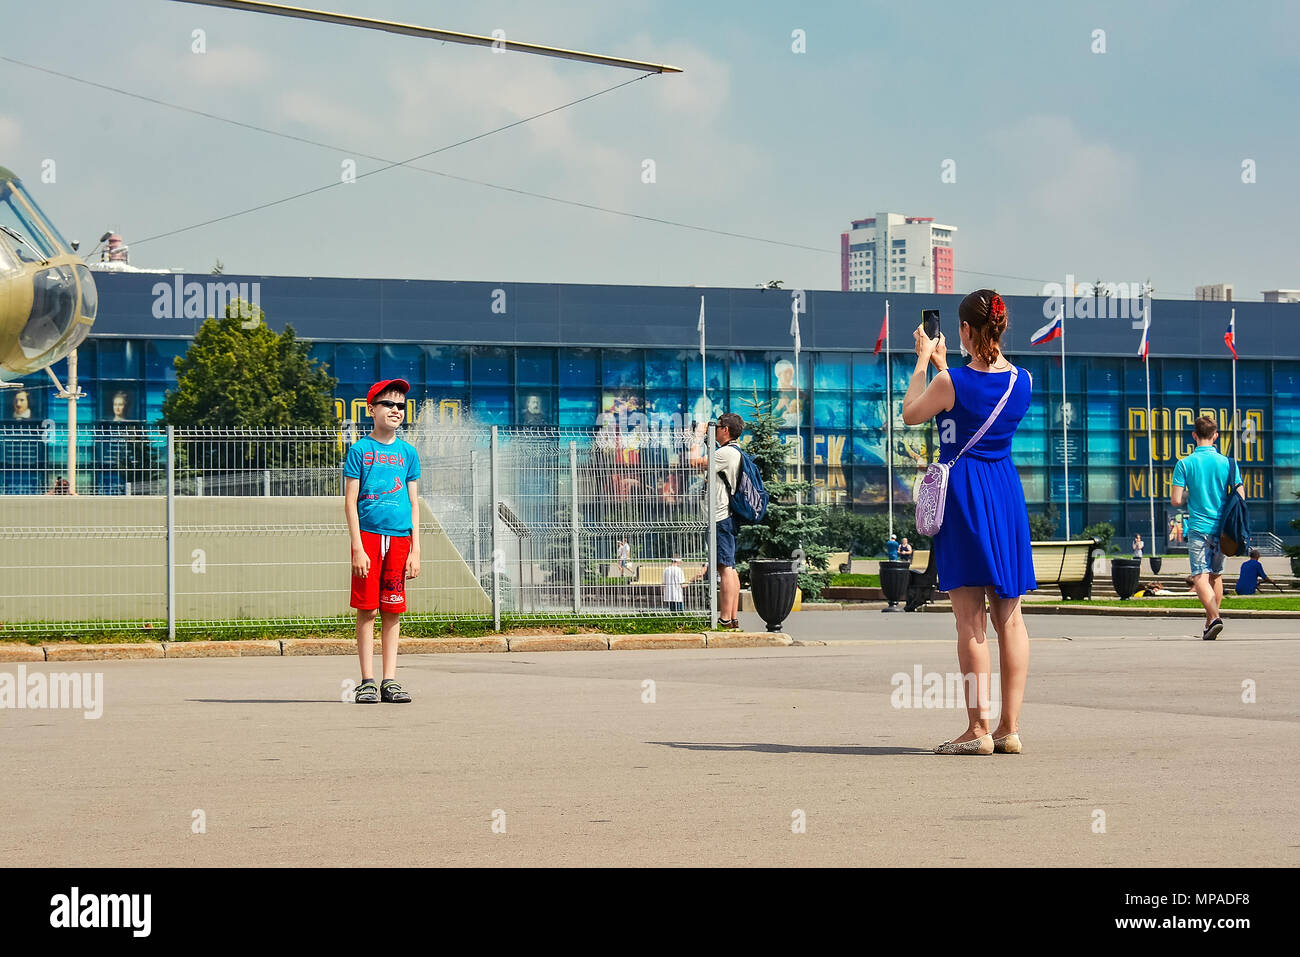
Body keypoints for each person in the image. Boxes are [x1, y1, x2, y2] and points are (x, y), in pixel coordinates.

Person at [902, 289, 1035, 756]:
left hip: (964, 493)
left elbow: (912, 412)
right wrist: (946, 368)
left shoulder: (949, 382)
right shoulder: (1024, 381)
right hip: (1004, 491)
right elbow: (975, 406)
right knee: (1010, 619)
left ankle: (977, 728)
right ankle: (1009, 728)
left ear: (963, 330)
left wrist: (923, 360)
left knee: (969, 620)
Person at [343, 378, 421, 704]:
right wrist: (358, 547)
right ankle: (367, 680)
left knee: (392, 611)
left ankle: (390, 680)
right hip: (370, 540)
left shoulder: (408, 453)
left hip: (400, 540)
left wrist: (416, 549)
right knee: (368, 610)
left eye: (401, 406)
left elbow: (414, 502)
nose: (395, 410)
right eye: (388, 404)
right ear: (371, 409)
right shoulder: (360, 450)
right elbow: (350, 502)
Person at [1171, 414, 1243, 640]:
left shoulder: (1184, 464)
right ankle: (1210, 622)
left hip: (1199, 528)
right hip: (1223, 529)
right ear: (1216, 436)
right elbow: (1240, 495)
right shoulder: (1228, 463)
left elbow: (1176, 500)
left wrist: (1194, 492)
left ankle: (1215, 617)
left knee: (1200, 576)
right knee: (1216, 576)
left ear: (1194, 436)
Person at [697, 411, 744, 631]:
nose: (714, 428)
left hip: (719, 517)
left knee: (724, 568)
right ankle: (731, 618)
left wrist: (697, 437)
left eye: (718, 426)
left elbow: (694, 462)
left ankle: (725, 618)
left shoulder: (726, 453)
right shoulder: (731, 452)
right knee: (730, 567)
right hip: (724, 517)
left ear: (726, 430)